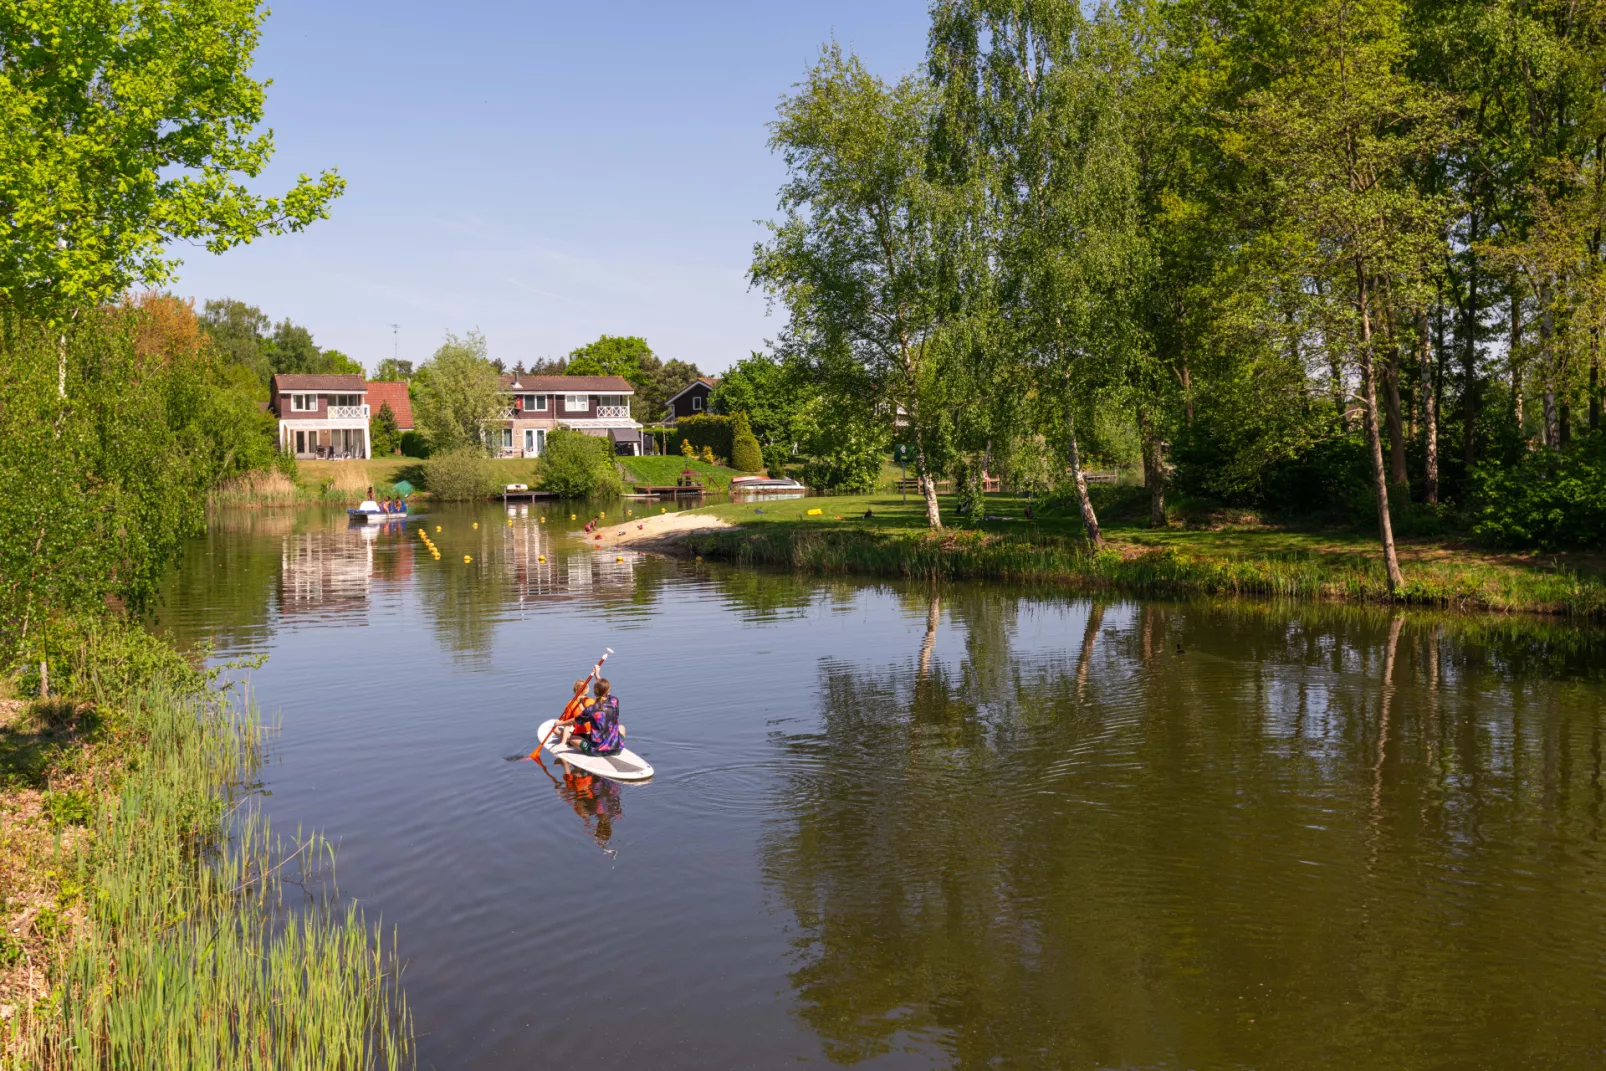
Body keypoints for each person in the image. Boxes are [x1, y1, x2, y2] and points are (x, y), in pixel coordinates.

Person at [570, 678, 623, 756]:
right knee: (622, 728)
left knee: (572, 739)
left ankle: (585, 751)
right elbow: (604, 689)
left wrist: (559, 723)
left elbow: (576, 720)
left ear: (595, 692)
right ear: (608, 691)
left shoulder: (592, 708)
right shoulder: (614, 701)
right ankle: (613, 747)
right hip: (617, 748)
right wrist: (598, 676)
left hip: (597, 751)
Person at [556, 679, 592, 749]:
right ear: (587, 690)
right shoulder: (592, 701)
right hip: (593, 735)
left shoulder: (571, 704)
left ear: (575, 690)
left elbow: (568, 724)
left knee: (555, 729)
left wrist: (563, 742)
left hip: (580, 736)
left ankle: (567, 741)